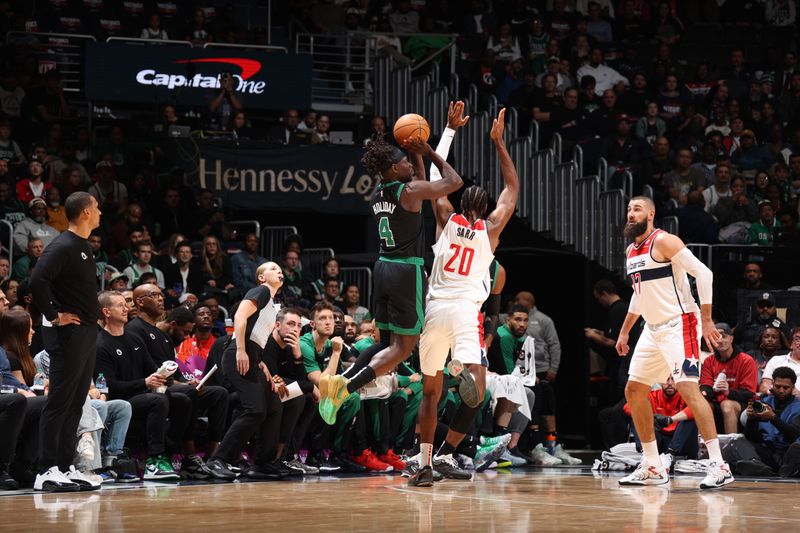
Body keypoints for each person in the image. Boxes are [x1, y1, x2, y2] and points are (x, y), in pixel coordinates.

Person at [318, 105, 463, 421]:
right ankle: (347, 386)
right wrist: (428, 150)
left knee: (384, 343)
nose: (409, 165)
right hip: (406, 270)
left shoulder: (380, 192)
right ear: (394, 169)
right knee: (403, 348)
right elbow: (453, 181)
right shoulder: (409, 191)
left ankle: (337, 382)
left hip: (382, 268)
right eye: (404, 162)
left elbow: (421, 182)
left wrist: (417, 157)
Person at [411, 104, 519, 486]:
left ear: (461, 204)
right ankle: (449, 450)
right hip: (464, 313)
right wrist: (498, 142)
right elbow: (512, 188)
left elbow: (440, 180)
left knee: (429, 391)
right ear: (487, 208)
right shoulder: (490, 230)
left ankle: (425, 463)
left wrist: (448, 131)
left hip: (434, 310)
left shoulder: (445, 218)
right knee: (479, 390)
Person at [616, 195, 734, 488]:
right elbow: (638, 293)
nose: (631, 214)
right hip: (652, 328)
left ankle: (719, 465)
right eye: (629, 209)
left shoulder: (665, 241)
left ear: (651, 214)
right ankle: (654, 465)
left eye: (637, 209)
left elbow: (703, 273)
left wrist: (706, 319)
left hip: (680, 323)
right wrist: (624, 330)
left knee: (688, 389)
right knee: (634, 390)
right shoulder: (631, 250)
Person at [29, 192, 102, 492]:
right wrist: (54, 316)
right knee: (59, 401)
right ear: (85, 212)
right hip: (67, 334)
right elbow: (37, 281)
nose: (100, 213)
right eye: (96, 208)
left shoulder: (82, 246)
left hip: (84, 332)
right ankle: (46, 470)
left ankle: (64, 466)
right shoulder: (63, 245)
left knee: (75, 402)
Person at [207, 262, 286, 480]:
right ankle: (218, 460)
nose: (279, 271)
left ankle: (261, 463)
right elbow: (240, 317)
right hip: (238, 354)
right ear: (261, 277)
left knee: (273, 406)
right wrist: (241, 349)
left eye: (280, 269)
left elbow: (258, 337)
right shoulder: (259, 291)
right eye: (272, 268)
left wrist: (262, 364)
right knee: (255, 410)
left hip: (253, 357)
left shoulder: (272, 303)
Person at [94, 291, 180, 480]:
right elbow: (108, 385)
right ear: (106, 312)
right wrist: (144, 382)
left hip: (142, 394)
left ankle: (178, 456)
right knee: (158, 401)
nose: (126, 308)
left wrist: (162, 375)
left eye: (126, 304)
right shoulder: (101, 344)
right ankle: (154, 460)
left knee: (181, 399)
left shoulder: (134, 339)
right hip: (120, 400)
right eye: (120, 305)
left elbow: (152, 369)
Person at [733, 366, 800, 477]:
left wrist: (773, 418)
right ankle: (758, 465)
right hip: (767, 451)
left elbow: (793, 435)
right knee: (740, 440)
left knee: (797, 448)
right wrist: (751, 419)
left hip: (787, 452)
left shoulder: (798, 407)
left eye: (786, 387)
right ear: (772, 384)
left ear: (793, 387)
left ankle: (785, 470)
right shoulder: (763, 402)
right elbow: (751, 437)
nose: (781, 391)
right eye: (778, 386)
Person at [699, 324, 758, 434]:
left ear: (731, 338)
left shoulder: (746, 360)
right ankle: (702, 445)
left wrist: (728, 392)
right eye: (716, 337)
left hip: (740, 403)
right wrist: (703, 393)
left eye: (724, 336)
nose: (720, 340)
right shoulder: (708, 361)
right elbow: (706, 385)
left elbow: (749, 394)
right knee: (701, 405)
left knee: (727, 405)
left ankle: (731, 447)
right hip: (717, 401)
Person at [760, 328, 800, 397]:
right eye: (797, 339)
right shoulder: (776, 360)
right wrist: (777, 392)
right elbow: (765, 385)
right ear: (791, 344)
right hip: (776, 401)